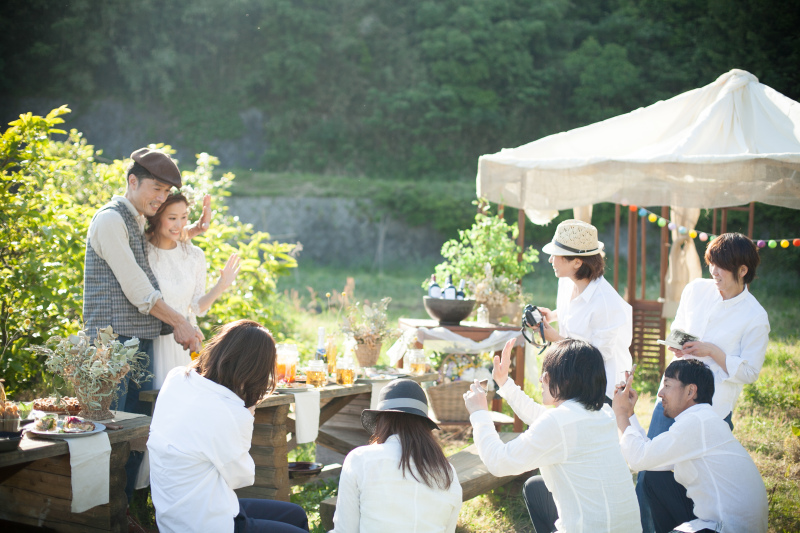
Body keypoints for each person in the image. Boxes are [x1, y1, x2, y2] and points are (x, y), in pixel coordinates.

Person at [82, 147, 209, 511]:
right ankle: (101, 516)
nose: (161, 197)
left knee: (139, 431)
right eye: (155, 188)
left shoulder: (136, 219)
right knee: (110, 432)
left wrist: (187, 231)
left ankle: (126, 512)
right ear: (132, 181)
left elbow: (159, 245)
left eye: (166, 192)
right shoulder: (110, 220)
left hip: (139, 343)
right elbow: (139, 289)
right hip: (110, 344)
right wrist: (181, 321)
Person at [637, 232, 770, 531]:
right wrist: (678, 343)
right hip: (671, 398)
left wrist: (713, 352)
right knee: (651, 473)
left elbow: (749, 372)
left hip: (709, 413)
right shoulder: (696, 289)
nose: (714, 273)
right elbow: (679, 328)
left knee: (696, 485)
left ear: (743, 270)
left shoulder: (755, 317)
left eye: (721, 267)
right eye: (711, 264)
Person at [464, 338, 641, 533]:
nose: (541, 379)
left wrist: (479, 413)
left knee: (535, 488)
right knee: (535, 487)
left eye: (546, 373)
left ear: (565, 380)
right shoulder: (605, 414)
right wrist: (504, 382)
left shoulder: (560, 423)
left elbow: (498, 462)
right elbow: (543, 418)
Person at [148, 319, 309, 533]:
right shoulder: (229, 411)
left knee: (295, 514)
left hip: (177, 512)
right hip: (208, 524)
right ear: (256, 370)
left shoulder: (177, 377)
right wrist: (248, 414)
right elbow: (243, 477)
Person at [613, 358, 768, 533]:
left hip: (728, 527)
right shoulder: (702, 420)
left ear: (690, 391)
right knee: (652, 477)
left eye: (667, 385)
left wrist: (620, 413)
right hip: (717, 520)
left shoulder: (697, 422)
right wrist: (630, 413)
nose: (660, 393)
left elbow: (638, 459)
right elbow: (650, 459)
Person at [332, 379, 462, 532]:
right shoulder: (448, 473)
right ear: (424, 426)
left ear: (382, 422)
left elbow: (345, 530)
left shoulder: (360, 460)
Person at [146, 192, 241, 389]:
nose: (179, 225)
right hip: (153, 342)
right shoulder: (143, 252)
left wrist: (220, 286)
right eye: (172, 218)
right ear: (157, 217)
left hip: (186, 342)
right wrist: (196, 228)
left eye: (184, 218)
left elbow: (197, 307)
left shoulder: (194, 255)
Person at [536, 219, 633, 403]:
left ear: (577, 262)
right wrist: (553, 315)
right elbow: (577, 309)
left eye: (556, 255)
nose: (550, 260)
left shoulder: (605, 302)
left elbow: (596, 358)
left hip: (601, 391)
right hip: (571, 378)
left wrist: (557, 340)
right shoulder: (565, 281)